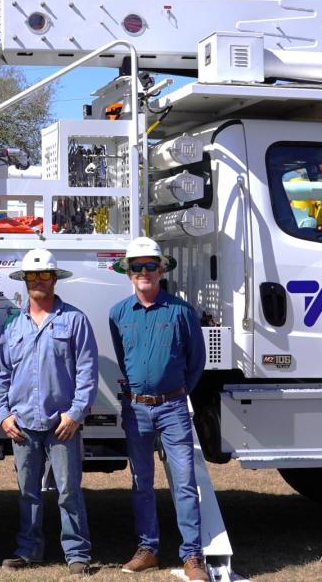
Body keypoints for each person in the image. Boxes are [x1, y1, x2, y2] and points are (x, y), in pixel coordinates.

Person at [109, 237, 208, 582]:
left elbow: (196, 362)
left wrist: (174, 395)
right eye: (137, 266)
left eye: (150, 265)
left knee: (184, 483)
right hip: (136, 409)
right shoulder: (118, 313)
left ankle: (192, 556)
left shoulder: (181, 311)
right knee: (141, 482)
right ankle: (147, 549)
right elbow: (123, 357)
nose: (144, 272)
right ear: (128, 272)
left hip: (173, 408)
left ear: (161, 270)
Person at [0, 249, 97, 576]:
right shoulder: (13, 326)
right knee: (28, 493)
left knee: (68, 491)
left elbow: (87, 372)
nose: (38, 281)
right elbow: (0, 374)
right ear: (24, 281)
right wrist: (4, 414)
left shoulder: (75, 320)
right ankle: (28, 550)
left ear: (54, 278)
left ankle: (77, 554)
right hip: (23, 424)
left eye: (44, 275)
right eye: (32, 276)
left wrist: (75, 414)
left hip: (62, 424)